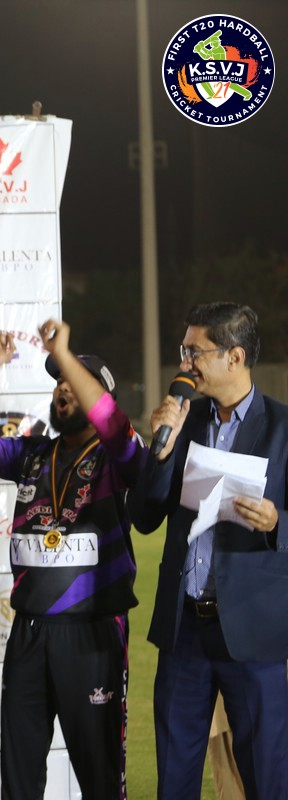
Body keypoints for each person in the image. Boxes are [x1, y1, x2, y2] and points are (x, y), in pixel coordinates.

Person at [0, 319, 145, 799]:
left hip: (92, 634)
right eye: (58, 383)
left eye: (74, 382)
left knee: (100, 779)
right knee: (18, 779)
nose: (62, 390)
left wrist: (67, 356)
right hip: (29, 634)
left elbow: (116, 428)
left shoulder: (118, 456)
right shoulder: (33, 454)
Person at [127, 302, 288, 799]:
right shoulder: (186, 421)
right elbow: (144, 516)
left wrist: (277, 523)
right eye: (184, 350)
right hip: (184, 634)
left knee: (267, 780)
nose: (185, 363)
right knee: (174, 782)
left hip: (253, 638)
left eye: (195, 351)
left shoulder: (283, 428)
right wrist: (161, 452)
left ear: (234, 357)